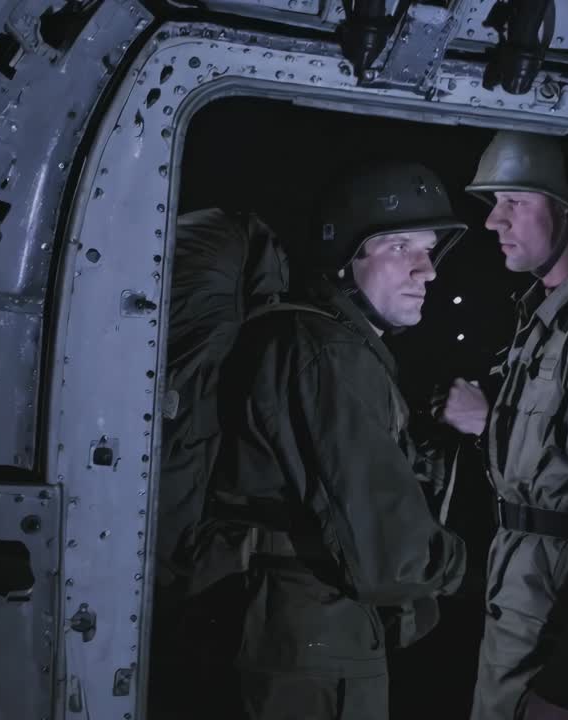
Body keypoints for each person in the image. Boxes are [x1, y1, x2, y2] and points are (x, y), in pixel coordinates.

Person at [188, 160, 469, 720]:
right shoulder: (330, 353)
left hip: (283, 624)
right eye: (399, 247)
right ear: (346, 258)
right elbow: (393, 556)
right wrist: (468, 562)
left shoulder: (310, 337)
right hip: (312, 640)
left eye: (429, 249)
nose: (427, 270)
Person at [437, 130, 568, 720]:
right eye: (493, 204)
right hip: (520, 592)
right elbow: (550, 456)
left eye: (514, 202)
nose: (493, 221)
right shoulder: (543, 318)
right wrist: (486, 424)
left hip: (561, 611)